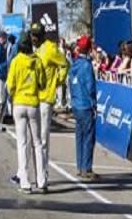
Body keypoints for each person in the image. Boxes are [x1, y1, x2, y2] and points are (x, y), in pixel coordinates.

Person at [7, 33, 47, 193]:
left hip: (19, 103)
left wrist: (14, 93)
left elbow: (10, 85)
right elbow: (43, 82)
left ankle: (25, 182)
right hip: (33, 103)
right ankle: (42, 180)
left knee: (22, 143)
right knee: (37, 143)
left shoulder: (16, 61)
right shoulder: (37, 61)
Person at [33, 23, 69, 168]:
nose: (33, 37)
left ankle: (43, 173)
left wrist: (57, 81)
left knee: (42, 139)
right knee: (33, 139)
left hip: (46, 99)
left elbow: (65, 64)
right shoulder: (35, 50)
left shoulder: (50, 48)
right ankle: (35, 172)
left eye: (36, 35)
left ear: (42, 35)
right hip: (33, 99)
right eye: (32, 34)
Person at [69, 36, 98, 180]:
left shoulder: (74, 64)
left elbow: (70, 84)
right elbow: (90, 87)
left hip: (76, 104)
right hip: (85, 104)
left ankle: (80, 166)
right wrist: (94, 104)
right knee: (88, 137)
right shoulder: (86, 65)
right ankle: (87, 168)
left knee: (79, 136)